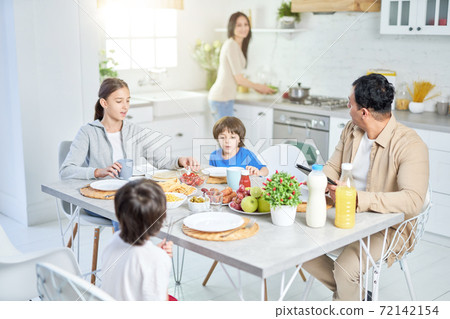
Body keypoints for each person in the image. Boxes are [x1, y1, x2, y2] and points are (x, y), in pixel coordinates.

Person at [302, 73, 429, 301]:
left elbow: (412, 201)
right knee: (296, 248)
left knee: (345, 269)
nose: (347, 108)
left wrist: (356, 198)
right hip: (344, 213)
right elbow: (333, 166)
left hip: (389, 227)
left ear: (364, 112)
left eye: (350, 103)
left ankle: (349, 299)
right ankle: (358, 297)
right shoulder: (352, 129)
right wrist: (321, 181)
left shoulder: (410, 144)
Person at [60, 78, 199, 229]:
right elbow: (66, 170)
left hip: (131, 196)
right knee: (128, 214)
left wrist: (180, 161)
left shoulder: (134, 131)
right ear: (104, 103)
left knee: (163, 210)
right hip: (100, 199)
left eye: (127, 101)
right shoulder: (88, 132)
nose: (125, 106)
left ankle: (154, 251)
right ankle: (132, 251)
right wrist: (97, 172)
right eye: (119, 101)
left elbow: (160, 159)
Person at [100, 179, 174, 301]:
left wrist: (155, 253)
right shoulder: (158, 260)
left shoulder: (112, 242)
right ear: (160, 222)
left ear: (118, 214)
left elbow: (133, 260)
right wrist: (161, 258)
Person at [208, 12, 275, 121]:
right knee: (228, 137)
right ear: (232, 27)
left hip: (225, 99)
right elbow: (239, 79)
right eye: (239, 25)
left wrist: (256, 88)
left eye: (246, 24)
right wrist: (259, 87)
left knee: (228, 137)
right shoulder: (231, 45)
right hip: (221, 99)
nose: (243, 28)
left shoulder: (237, 45)